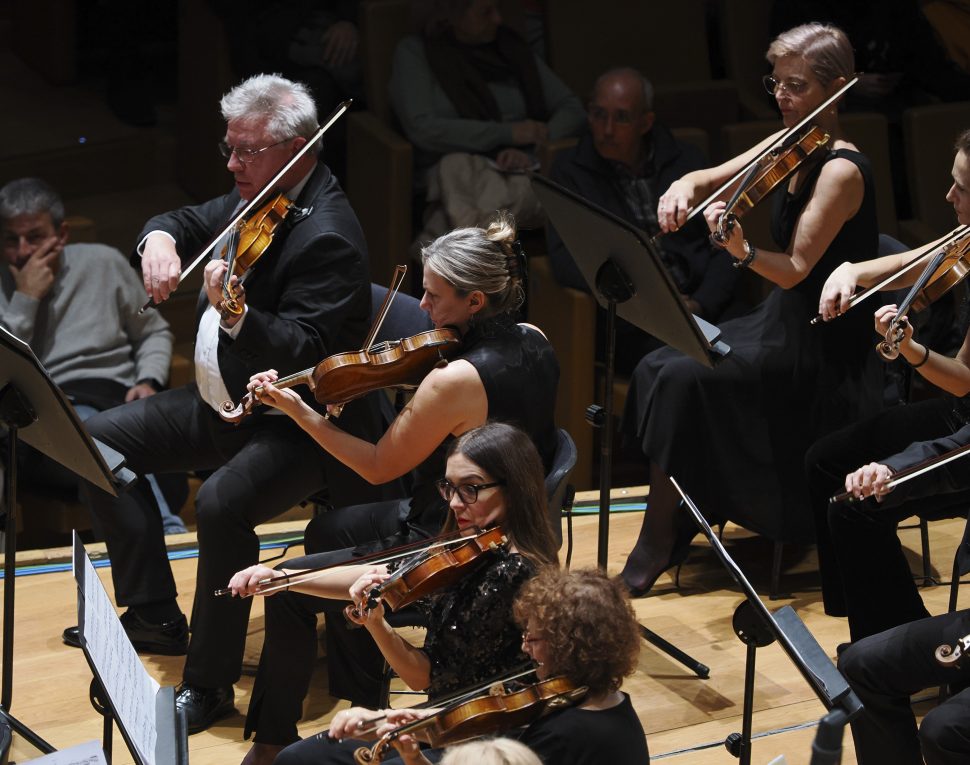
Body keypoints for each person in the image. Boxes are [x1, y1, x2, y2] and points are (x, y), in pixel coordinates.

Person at [64, 73, 387, 734]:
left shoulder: (330, 233)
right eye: (229, 147)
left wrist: (237, 316)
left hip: (304, 426)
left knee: (219, 502)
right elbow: (185, 220)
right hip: (225, 401)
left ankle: (209, 686)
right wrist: (157, 238)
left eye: (248, 151)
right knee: (95, 440)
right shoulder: (256, 196)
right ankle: (154, 607)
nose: (233, 164)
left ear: (298, 152)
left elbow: (306, 353)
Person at [231, 211, 560, 759]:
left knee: (286, 589)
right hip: (515, 512)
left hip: (452, 534)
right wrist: (375, 378)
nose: (423, 309)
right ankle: (359, 689)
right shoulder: (533, 337)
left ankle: (276, 743)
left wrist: (298, 411)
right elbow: (464, 387)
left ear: (475, 301)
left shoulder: (453, 380)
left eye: (434, 297)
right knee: (327, 528)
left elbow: (378, 465)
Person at [619, 22, 885, 596]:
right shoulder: (795, 142)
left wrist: (740, 250)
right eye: (777, 83)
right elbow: (711, 176)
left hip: (819, 345)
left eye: (796, 85)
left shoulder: (839, 170)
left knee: (684, 379)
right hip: (778, 323)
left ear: (835, 88)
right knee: (656, 364)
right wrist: (683, 188)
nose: (782, 97)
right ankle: (684, 515)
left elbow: (792, 270)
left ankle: (659, 538)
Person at [228, 421, 561, 765]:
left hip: (476, 740)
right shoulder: (470, 545)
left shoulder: (512, 574)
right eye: (449, 488)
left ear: (515, 488)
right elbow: (384, 579)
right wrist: (283, 579)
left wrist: (374, 623)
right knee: (298, 757)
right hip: (439, 717)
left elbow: (423, 677)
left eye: (472, 489)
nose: (455, 504)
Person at [805, 127, 970, 642]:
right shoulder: (967, 239)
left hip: (966, 433)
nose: (948, 196)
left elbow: (964, 382)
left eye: (961, 187)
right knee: (824, 463)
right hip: (961, 416)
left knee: (853, 508)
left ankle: (903, 650)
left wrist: (912, 352)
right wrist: (850, 270)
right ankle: (871, 626)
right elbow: (910, 262)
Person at [306, 567, 648, 765]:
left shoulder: (564, 737)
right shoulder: (596, 698)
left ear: (570, 647)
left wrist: (412, 755)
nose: (525, 648)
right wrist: (414, 735)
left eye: (534, 639)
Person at [0, 177, 185, 535]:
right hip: (42, 418)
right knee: (87, 422)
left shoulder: (103, 262)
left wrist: (148, 379)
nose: (21, 251)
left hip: (116, 397)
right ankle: (166, 528)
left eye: (35, 237)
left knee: (116, 425)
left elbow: (153, 333)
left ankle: (154, 533)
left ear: (62, 233)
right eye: (11, 239)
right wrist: (25, 299)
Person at [546, 67, 744, 371]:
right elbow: (565, 260)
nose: (607, 129)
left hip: (704, 301)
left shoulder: (687, 162)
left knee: (748, 354)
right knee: (688, 368)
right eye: (598, 114)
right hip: (633, 317)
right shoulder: (569, 172)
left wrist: (700, 303)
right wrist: (647, 302)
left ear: (645, 122)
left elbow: (723, 241)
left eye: (621, 117)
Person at [388, 0, 585, 245]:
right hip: (452, 164)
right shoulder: (417, 52)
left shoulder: (511, 47)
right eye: (485, 12)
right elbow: (423, 128)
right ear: (452, 15)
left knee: (530, 190)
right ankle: (468, 245)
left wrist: (537, 147)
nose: (497, 19)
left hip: (520, 166)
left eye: (498, 9)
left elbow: (572, 108)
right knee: (454, 167)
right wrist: (507, 133)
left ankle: (457, 246)